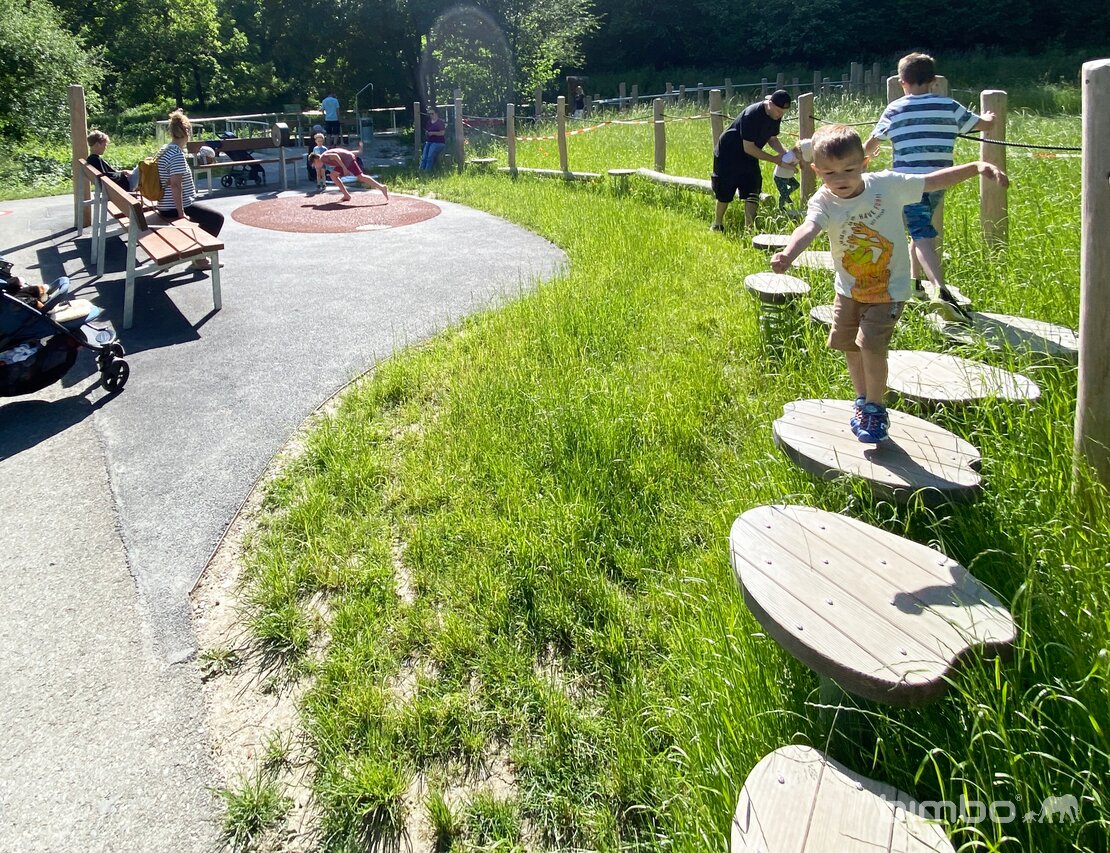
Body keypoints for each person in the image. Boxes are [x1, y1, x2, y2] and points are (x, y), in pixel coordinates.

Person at [770, 124, 1007, 443]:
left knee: (870, 345)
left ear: (864, 163)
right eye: (829, 173)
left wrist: (975, 167)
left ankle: (876, 407)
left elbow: (932, 181)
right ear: (816, 170)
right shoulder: (823, 200)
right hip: (848, 290)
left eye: (849, 170)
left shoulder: (887, 185)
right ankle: (862, 401)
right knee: (850, 346)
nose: (840, 179)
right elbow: (808, 228)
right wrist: (788, 253)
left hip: (888, 289)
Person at [864, 53, 995, 300]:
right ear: (934, 80)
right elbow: (983, 125)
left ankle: (940, 289)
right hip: (940, 180)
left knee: (920, 233)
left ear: (902, 82)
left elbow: (871, 144)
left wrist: (864, 156)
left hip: (907, 184)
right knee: (919, 229)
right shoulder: (949, 106)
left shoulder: (895, 109)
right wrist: (989, 118)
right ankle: (915, 283)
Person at [711, 89, 791, 232]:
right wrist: (775, 160)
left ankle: (749, 229)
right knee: (725, 190)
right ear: (770, 103)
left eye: (783, 112)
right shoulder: (752, 115)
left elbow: (772, 139)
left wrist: (786, 155)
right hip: (728, 154)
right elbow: (748, 147)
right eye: (778, 111)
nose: (780, 115)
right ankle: (717, 224)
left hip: (749, 155)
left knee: (753, 188)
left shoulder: (775, 115)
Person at [156, 109, 225, 270]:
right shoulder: (176, 155)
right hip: (173, 207)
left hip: (164, 204)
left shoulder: (165, 149)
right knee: (216, 219)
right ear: (188, 132)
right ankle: (199, 257)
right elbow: (176, 185)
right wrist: (181, 214)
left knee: (207, 217)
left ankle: (197, 254)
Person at [309, 141, 389, 202]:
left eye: (314, 164)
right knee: (333, 175)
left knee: (361, 177)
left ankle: (382, 187)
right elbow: (343, 153)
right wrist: (358, 151)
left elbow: (336, 156)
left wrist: (344, 168)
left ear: (316, 159)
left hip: (347, 161)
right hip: (345, 160)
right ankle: (346, 195)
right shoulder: (324, 156)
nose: (316, 167)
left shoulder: (323, 157)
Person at [772, 145, 801, 214]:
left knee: (796, 185)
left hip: (788, 176)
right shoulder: (790, 156)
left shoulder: (799, 156)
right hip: (779, 177)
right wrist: (793, 168)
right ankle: (781, 208)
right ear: (797, 152)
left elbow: (799, 160)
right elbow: (781, 163)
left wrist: (801, 164)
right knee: (783, 194)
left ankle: (785, 195)